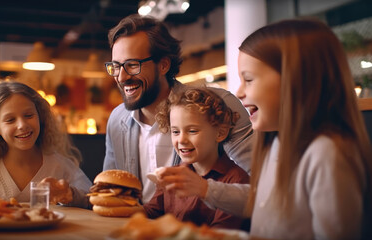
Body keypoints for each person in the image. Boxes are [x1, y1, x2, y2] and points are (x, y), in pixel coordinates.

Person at [156, 19, 372, 239]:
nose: (239, 92)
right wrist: (204, 189)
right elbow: (264, 202)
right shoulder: (278, 142)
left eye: (248, 80)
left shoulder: (327, 154)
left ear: (294, 80)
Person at [103, 14, 253, 203]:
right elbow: (108, 191)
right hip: (136, 228)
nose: (121, 77)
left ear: (164, 65)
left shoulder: (217, 103)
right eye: (116, 66)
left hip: (204, 230)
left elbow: (261, 183)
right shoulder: (117, 120)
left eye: (133, 65)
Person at [0, 81, 92, 208]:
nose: (22, 125)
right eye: (10, 120)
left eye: (29, 115)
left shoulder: (58, 165)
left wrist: (68, 194)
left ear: (40, 117)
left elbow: (91, 197)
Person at [142, 87, 249, 229]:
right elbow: (150, 212)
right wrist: (122, 205)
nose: (181, 140)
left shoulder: (237, 180)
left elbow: (219, 234)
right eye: (175, 131)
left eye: (192, 131)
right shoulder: (172, 175)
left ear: (220, 133)